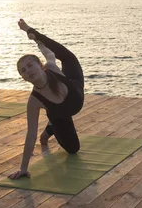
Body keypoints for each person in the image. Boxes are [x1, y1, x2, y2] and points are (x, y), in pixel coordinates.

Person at [8, 19, 85, 179]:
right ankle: (51, 127)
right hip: (60, 114)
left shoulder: (51, 67)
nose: (28, 70)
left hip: (75, 87)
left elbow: (49, 53)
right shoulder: (34, 101)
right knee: (73, 150)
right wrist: (23, 168)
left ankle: (31, 31)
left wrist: (38, 41)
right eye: (23, 70)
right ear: (23, 78)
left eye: (30, 65)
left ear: (40, 65)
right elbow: (31, 135)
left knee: (67, 56)